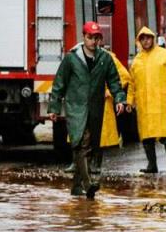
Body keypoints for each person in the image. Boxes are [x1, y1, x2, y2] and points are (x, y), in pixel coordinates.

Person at [48, 21, 127, 199]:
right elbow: (59, 83)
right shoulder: (71, 58)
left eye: (96, 38)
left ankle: (76, 187)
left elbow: (114, 81)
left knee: (90, 146)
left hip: (95, 108)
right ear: (83, 37)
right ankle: (88, 183)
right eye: (89, 37)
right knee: (81, 143)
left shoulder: (105, 59)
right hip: (75, 107)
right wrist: (54, 107)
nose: (92, 41)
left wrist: (120, 99)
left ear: (100, 39)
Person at [127, 27, 166, 175]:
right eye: (142, 39)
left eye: (148, 38)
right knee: (147, 137)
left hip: (162, 103)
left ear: (153, 38)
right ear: (139, 41)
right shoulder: (137, 61)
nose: (146, 41)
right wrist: (129, 101)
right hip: (144, 104)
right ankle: (152, 164)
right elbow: (132, 83)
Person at [95, 36, 132, 173]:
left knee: (99, 137)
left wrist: (109, 91)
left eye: (97, 39)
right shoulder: (81, 57)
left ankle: (95, 165)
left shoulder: (109, 57)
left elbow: (124, 76)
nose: (95, 42)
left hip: (103, 104)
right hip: (87, 102)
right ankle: (83, 165)